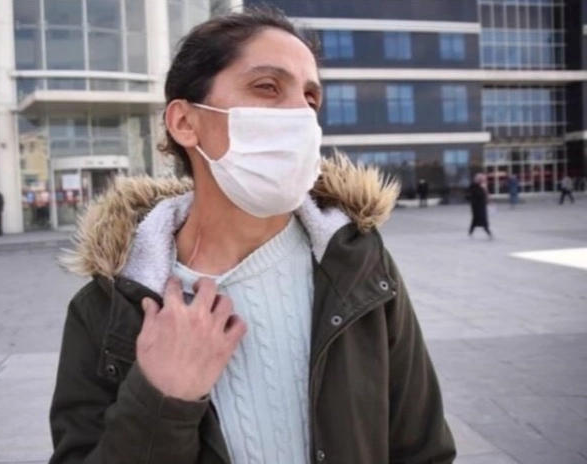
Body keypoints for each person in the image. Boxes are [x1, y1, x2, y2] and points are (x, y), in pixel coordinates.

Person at [49, 9, 456, 464]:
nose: (300, 114)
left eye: (310, 98)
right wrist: (162, 398)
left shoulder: (358, 266)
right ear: (185, 122)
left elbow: (423, 451)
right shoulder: (108, 306)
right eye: (267, 87)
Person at [468, 173, 492, 238]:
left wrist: (485, 190)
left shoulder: (482, 186)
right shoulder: (474, 186)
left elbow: (486, 195)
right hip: (476, 205)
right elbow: (476, 194)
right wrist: (482, 189)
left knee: (480, 219)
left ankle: (472, 231)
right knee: (479, 218)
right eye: (482, 179)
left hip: (482, 205)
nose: (483, 181)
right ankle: (487, 231)